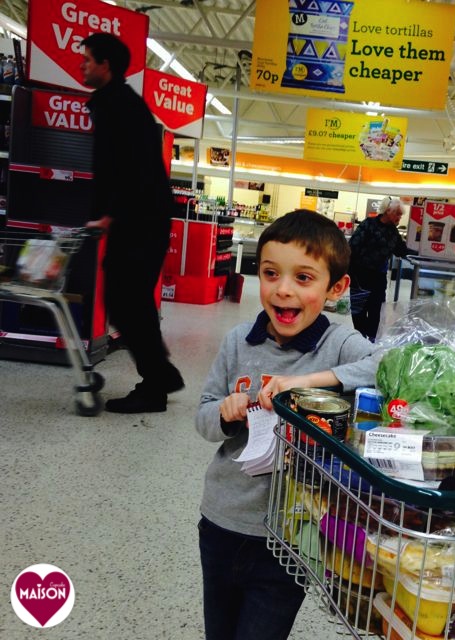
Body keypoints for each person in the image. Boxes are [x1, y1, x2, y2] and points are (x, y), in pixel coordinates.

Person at [195, 209, 381, 640]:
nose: (282, 290)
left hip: (291, 535)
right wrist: (225, 411)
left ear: (336, 288)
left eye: (303, 278)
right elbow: (202, 418)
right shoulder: (236, 341)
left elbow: (385, 364)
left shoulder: (339, 343)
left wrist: (309, 381)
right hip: (222, 519)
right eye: (270, 273)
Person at [81, 33, 183, 413]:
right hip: (140, 216)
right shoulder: (117, 103)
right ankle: (160, 375)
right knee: (130, 301)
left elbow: (129, 168)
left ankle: (156, 384)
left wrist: (110, 213)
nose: (83, 66)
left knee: (126, 301)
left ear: (106, 65)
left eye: (88, 60)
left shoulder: (119, 106)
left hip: (140, 218)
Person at [348, 196, 417, 341]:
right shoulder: (369, 224)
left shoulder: (393, 231)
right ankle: (359, 339)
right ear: (388, 211)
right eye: (397, 213)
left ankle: (372, 339)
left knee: (377, 310)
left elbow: (401, 250)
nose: (400, 217)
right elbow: (352, 246)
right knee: (359, 310)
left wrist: (421, 254)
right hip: (360, 275)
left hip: (378, 278)